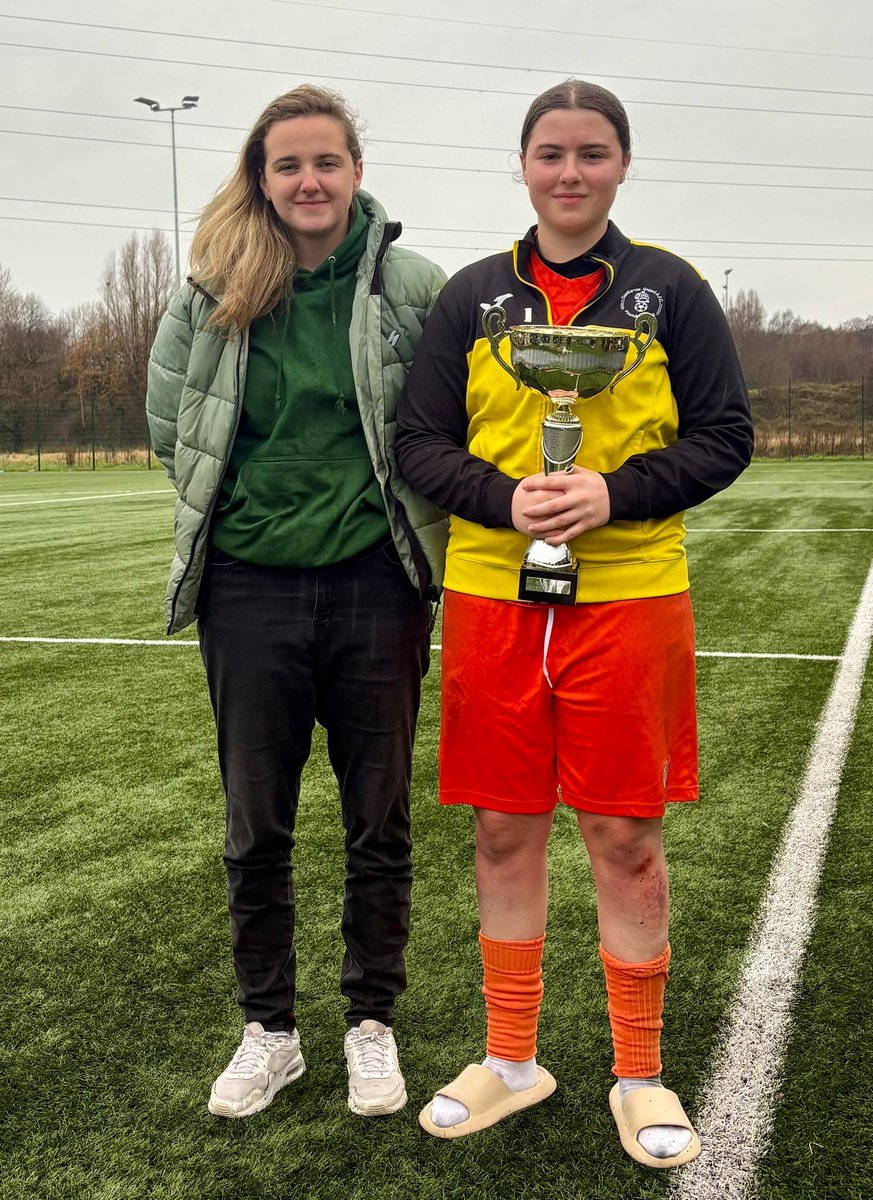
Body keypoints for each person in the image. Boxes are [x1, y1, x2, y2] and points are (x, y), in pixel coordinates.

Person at [396, 79, 752, 1167]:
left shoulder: (670, 290)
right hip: (494, 595)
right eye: (550, 153)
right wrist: (505, 499)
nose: (569, 172)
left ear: (622, 165)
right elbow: (419, 442)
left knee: (624, 836)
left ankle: (638, 1073)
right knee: (503, 829)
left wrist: (616, 493)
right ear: (522, 166)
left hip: (630, 595)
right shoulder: (472, 297)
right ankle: (512, 1060)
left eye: (592, 153)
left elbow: (725, 435)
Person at [146, 84, 447, 1121]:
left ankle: (372, 1022)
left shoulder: (413, 285)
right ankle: (270, 1032)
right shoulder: (213, 284)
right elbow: (171, 422)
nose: (309, 181)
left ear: (357, 171)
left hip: (377, 584)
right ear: (262, 178)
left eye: (326, 161)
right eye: (288, 165)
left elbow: (441, 423)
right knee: (255, 826)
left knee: (379, 819)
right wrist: (243, 516)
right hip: (248, 591)